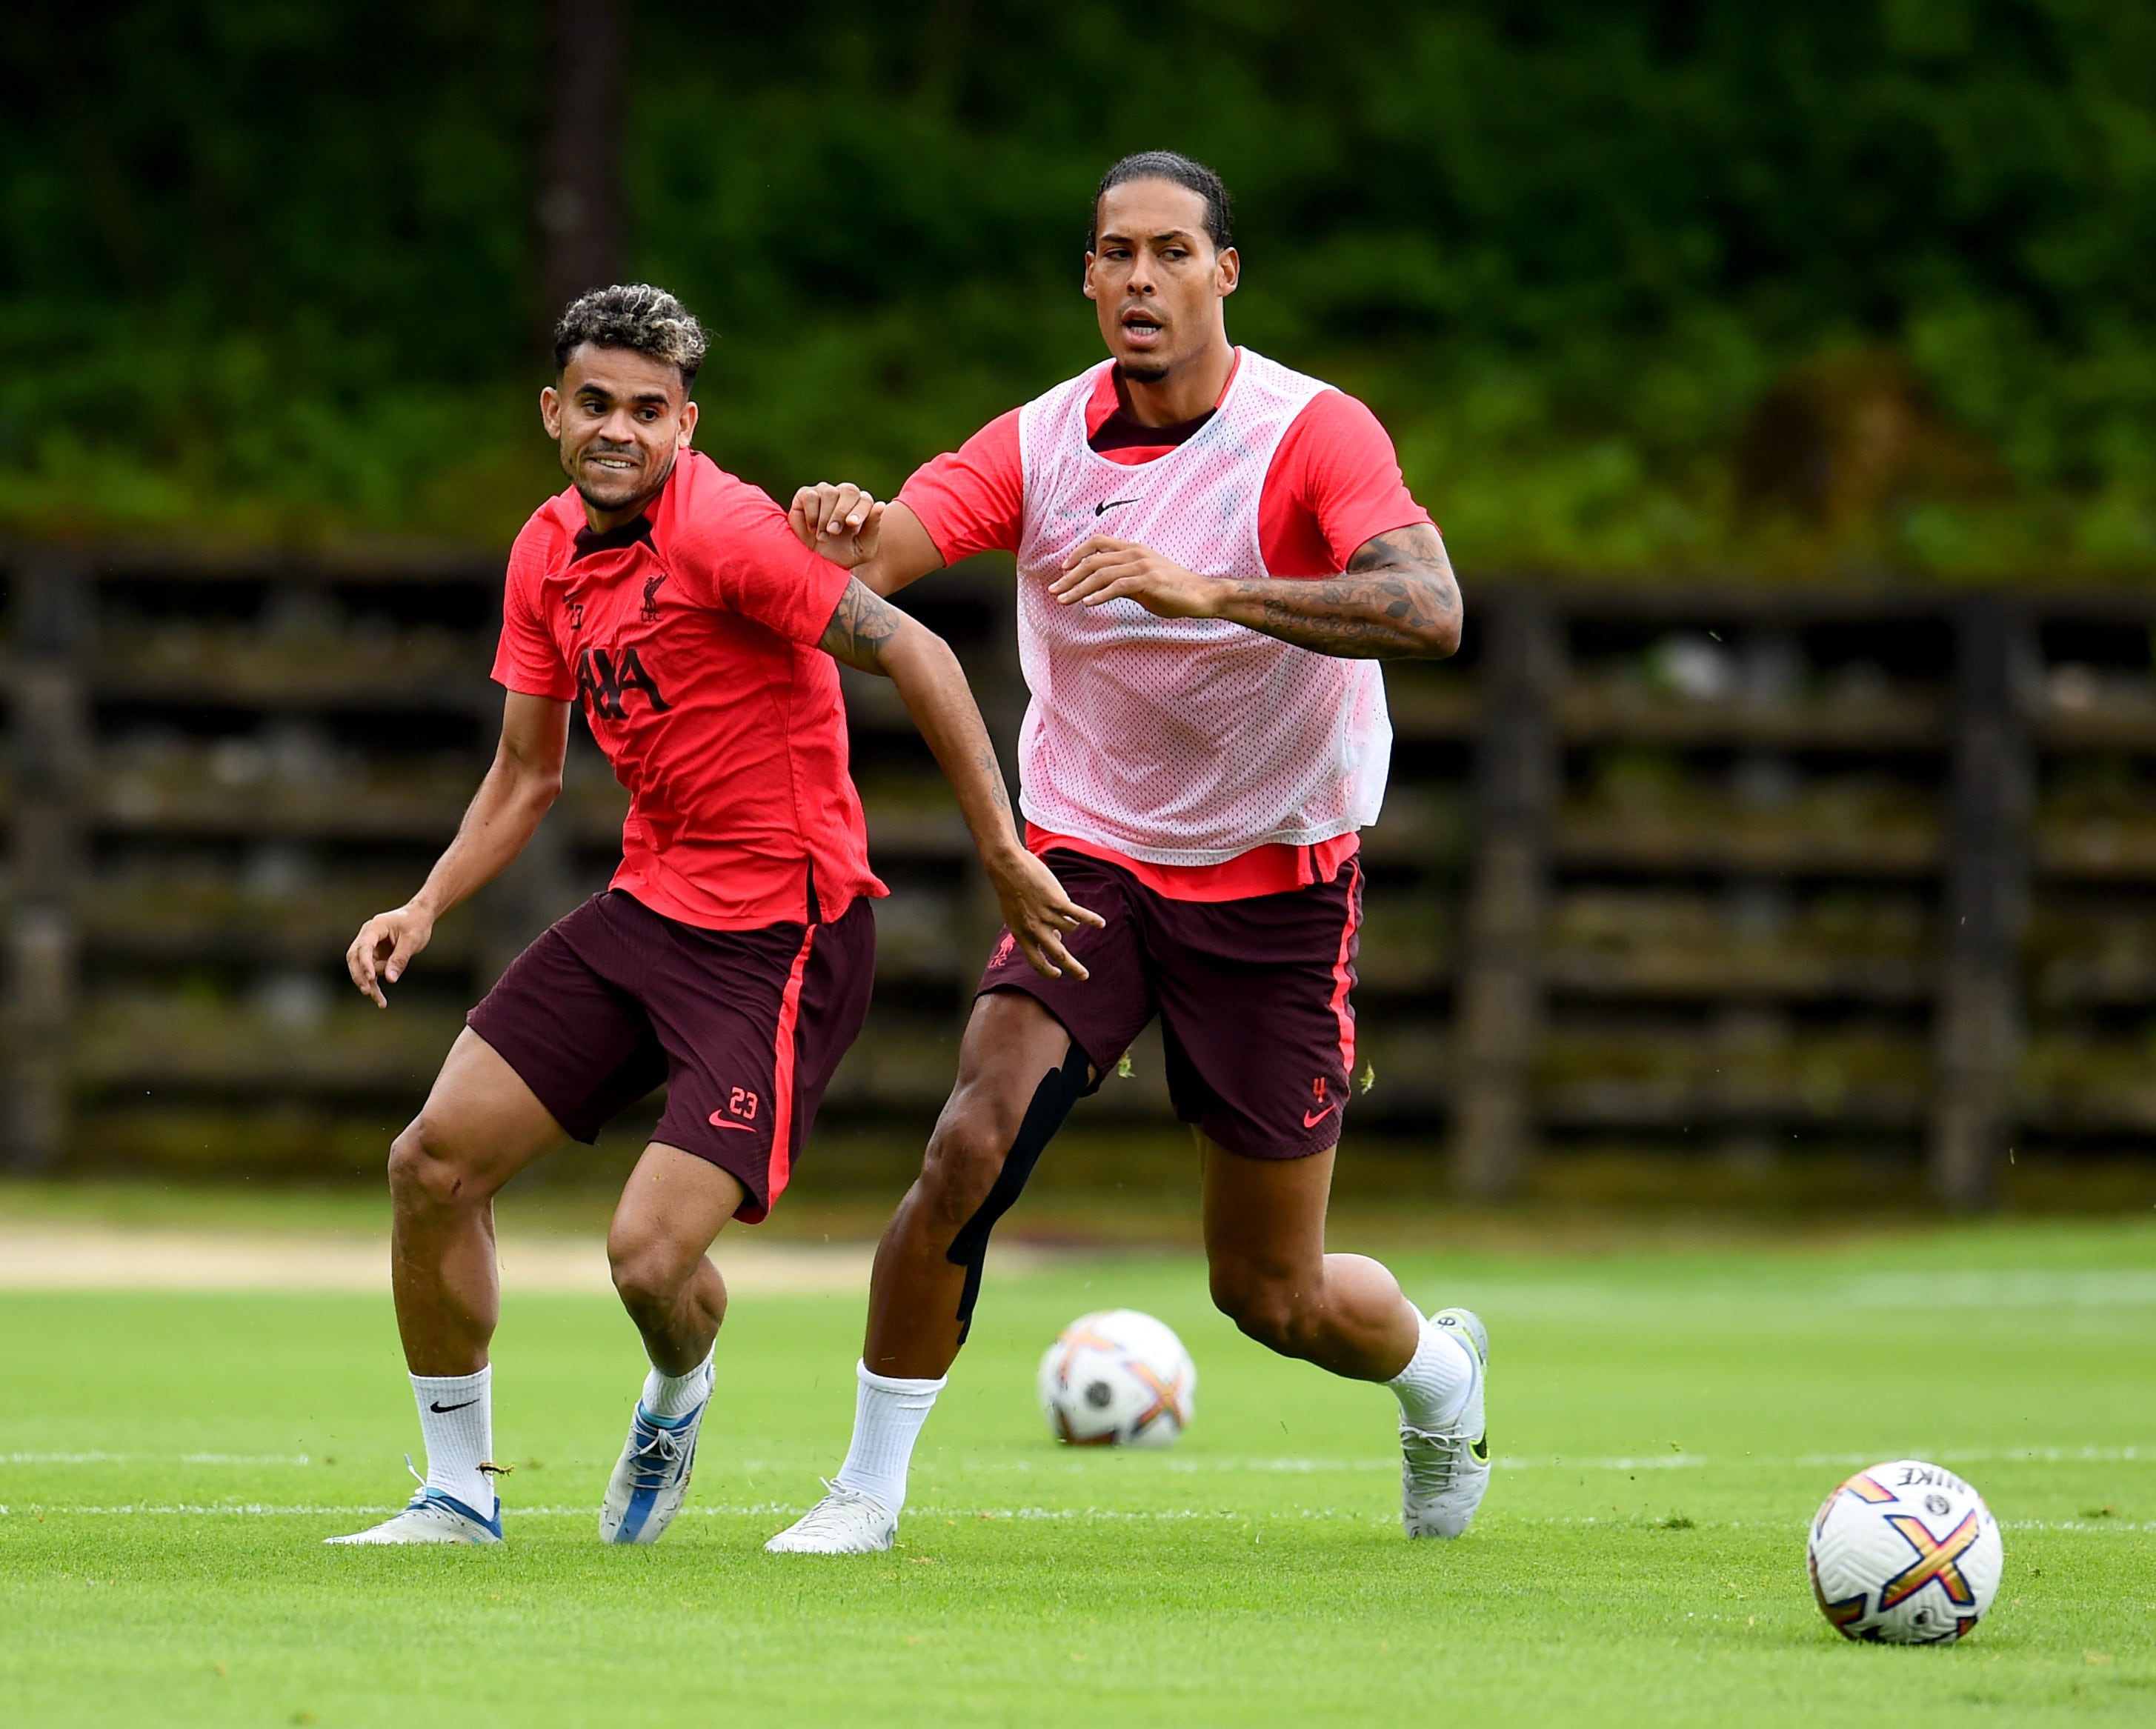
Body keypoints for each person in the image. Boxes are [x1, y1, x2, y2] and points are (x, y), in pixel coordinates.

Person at [766, 153, 1483, 1557]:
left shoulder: (1310, 434)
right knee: (972, 1136)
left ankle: (1438, 1377)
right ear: (1087, 277)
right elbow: (885, 562)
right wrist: (834, 531)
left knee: (1269, 1293)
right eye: (1114, 254)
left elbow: (1431, 607)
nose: (1139, 278)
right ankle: (863, 1491)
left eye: (1170, 251)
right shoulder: (1036, 443)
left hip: (1279, 883)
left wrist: (1206, 587)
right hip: (1087, 860)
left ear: (1226, 271)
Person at [327, 284, 1097, 1547]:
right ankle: (459, 1493)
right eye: (594, 405)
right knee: (430, 1165)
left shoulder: (731, 533)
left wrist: (1004, 851)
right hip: (646, 908)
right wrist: (422, 903)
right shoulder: (544, 553)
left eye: (647, 409)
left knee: (646, 1260)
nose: (617, 429)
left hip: (780, 938)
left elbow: (921, 653)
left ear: (686, 422)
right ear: (551, 414)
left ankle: (680, 1387)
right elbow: (527, 774)